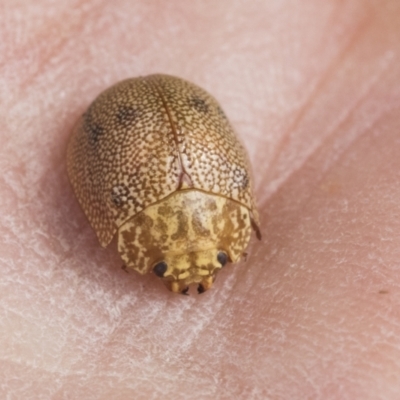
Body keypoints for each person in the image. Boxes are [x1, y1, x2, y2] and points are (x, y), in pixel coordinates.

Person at [2, 1, 399, 398]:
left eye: (162, 266)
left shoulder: (152, 214)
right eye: (219, 259)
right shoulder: (143, 217)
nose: (194, 280)